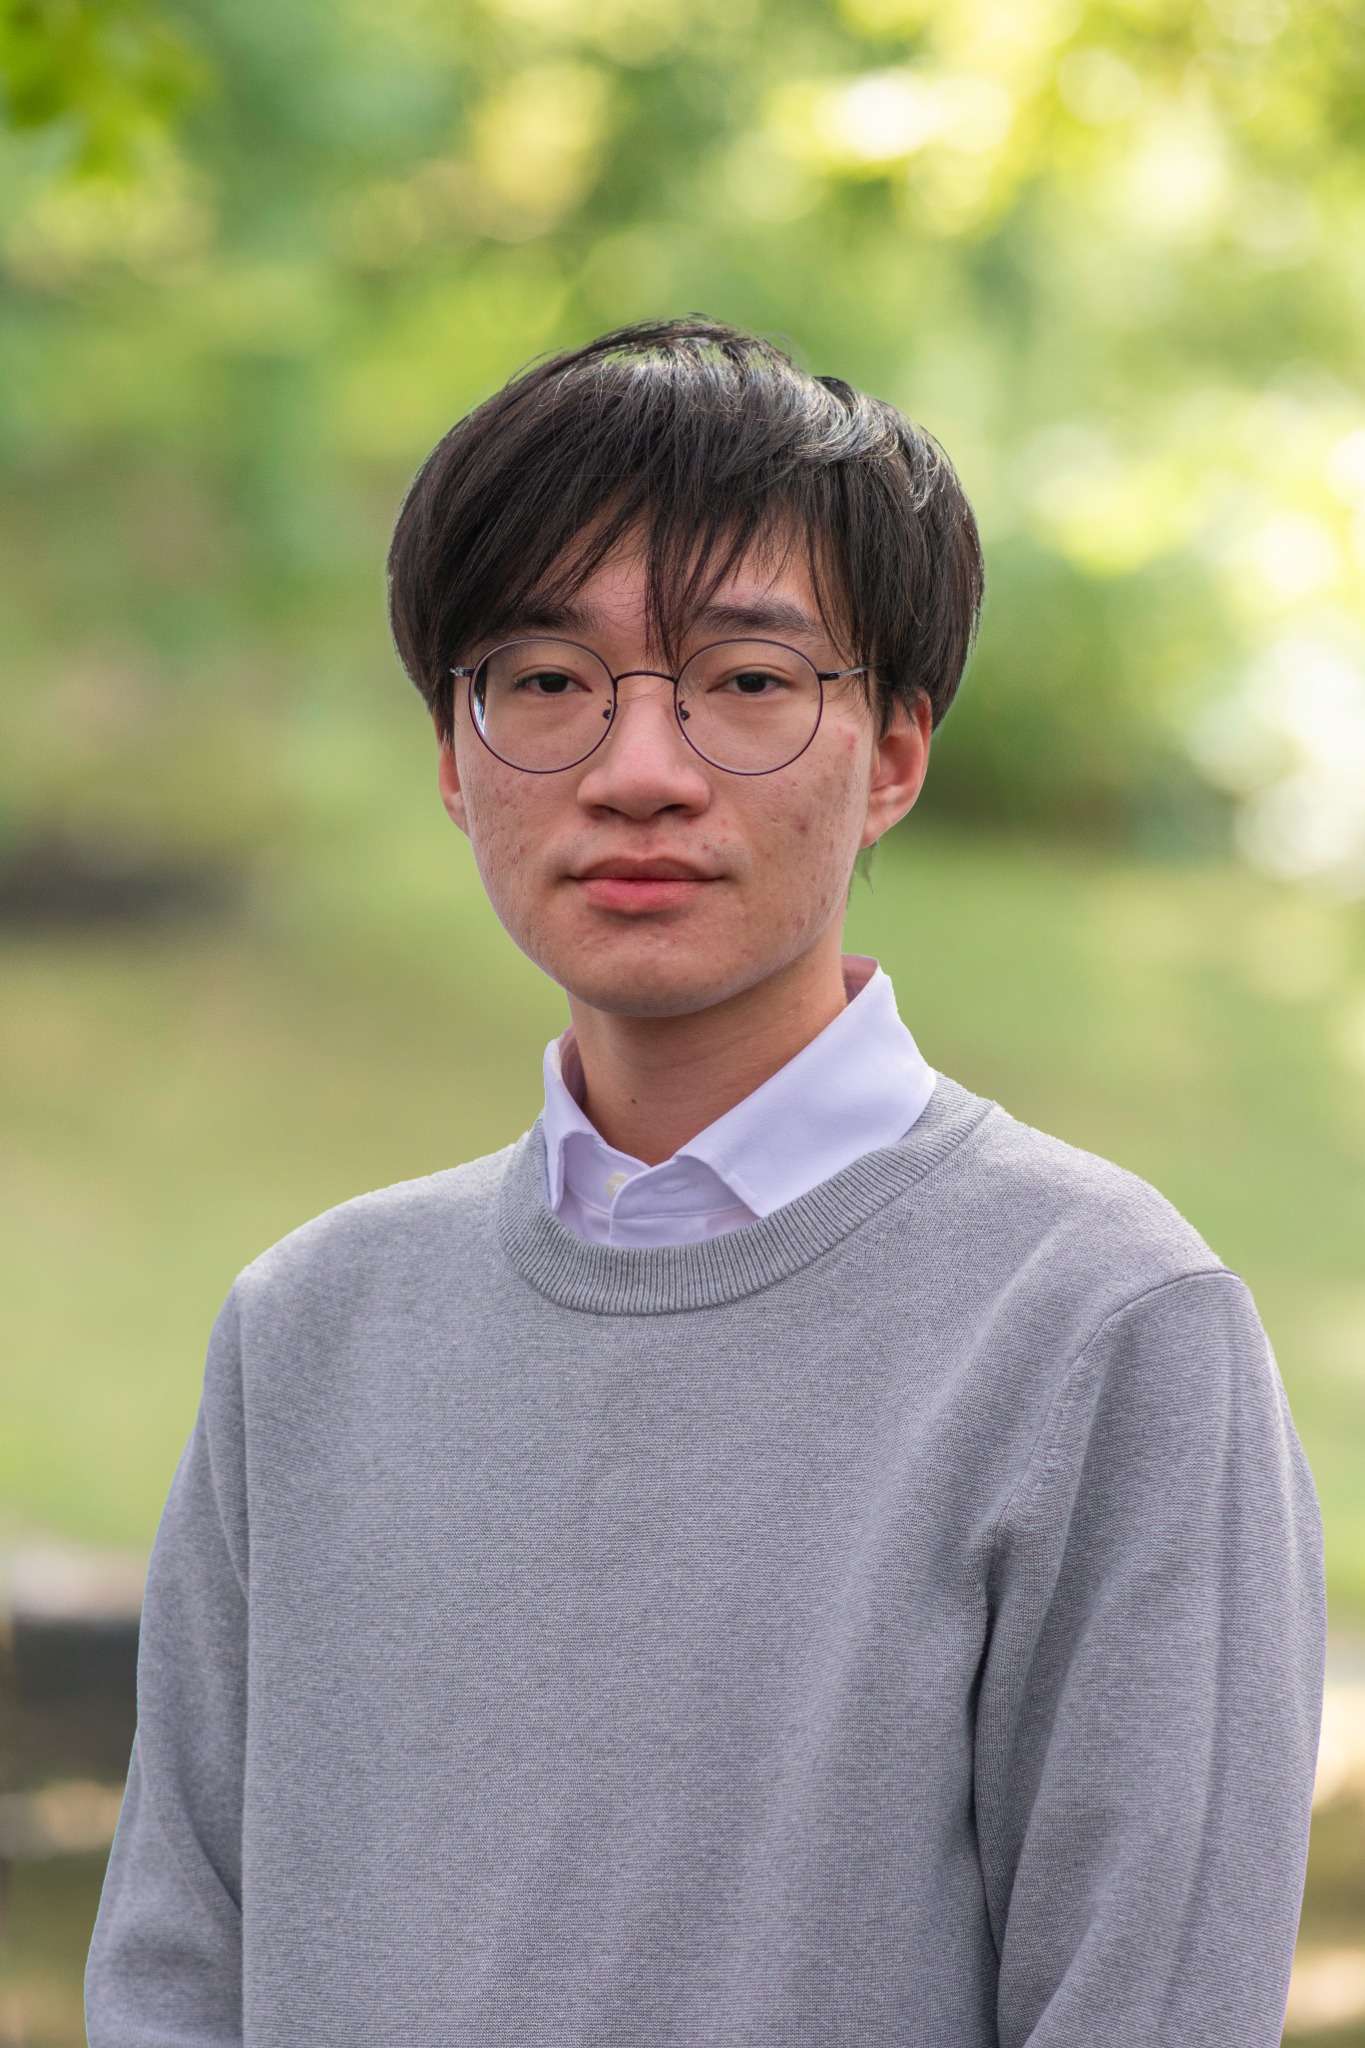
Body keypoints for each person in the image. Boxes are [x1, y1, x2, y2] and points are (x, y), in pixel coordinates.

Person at [85, 314, 1326, 2047]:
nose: (637, 769)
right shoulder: (311, 1327)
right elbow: (174, 1967)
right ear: (454, 758)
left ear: (890, 751)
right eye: (544, 683)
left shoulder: (1105, 1325)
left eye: (746, 682)